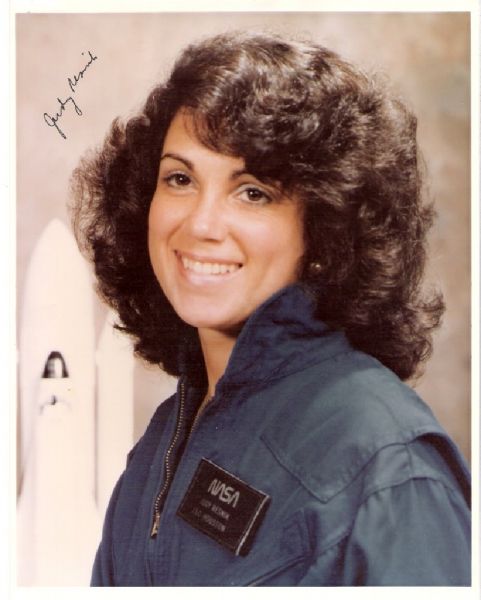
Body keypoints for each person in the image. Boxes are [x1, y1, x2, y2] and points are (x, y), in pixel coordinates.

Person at [70, 31, 471, 586]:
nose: (201, 224)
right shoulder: (163, 442)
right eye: (180, 179)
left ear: (326, 229)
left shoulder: (389, 466)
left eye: (253, 191)